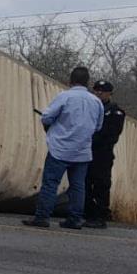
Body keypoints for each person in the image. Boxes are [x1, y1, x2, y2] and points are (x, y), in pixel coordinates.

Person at [23, 67, 103, 230]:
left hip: (60, 149)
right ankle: (75, 219)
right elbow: (98, 126)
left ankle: (43, 217)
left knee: (51, 183)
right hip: (82, 151)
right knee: (78, 186)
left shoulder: (65, 96)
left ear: (70, 80)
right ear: (88, 82)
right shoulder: (96, 102)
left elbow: (47, 116)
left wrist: (52, 127)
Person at [85, 80, 126, 229]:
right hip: (86, 152)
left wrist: (92, 139)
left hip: (102, 154)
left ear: (110, 93)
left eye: (102, 91)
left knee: (101, 185)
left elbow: (111, 135)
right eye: (96, 90)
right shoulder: (89, 108)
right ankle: (88, 214)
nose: (99, 93)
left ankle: (100, 216)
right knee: (85, 183)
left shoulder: (115, 112)